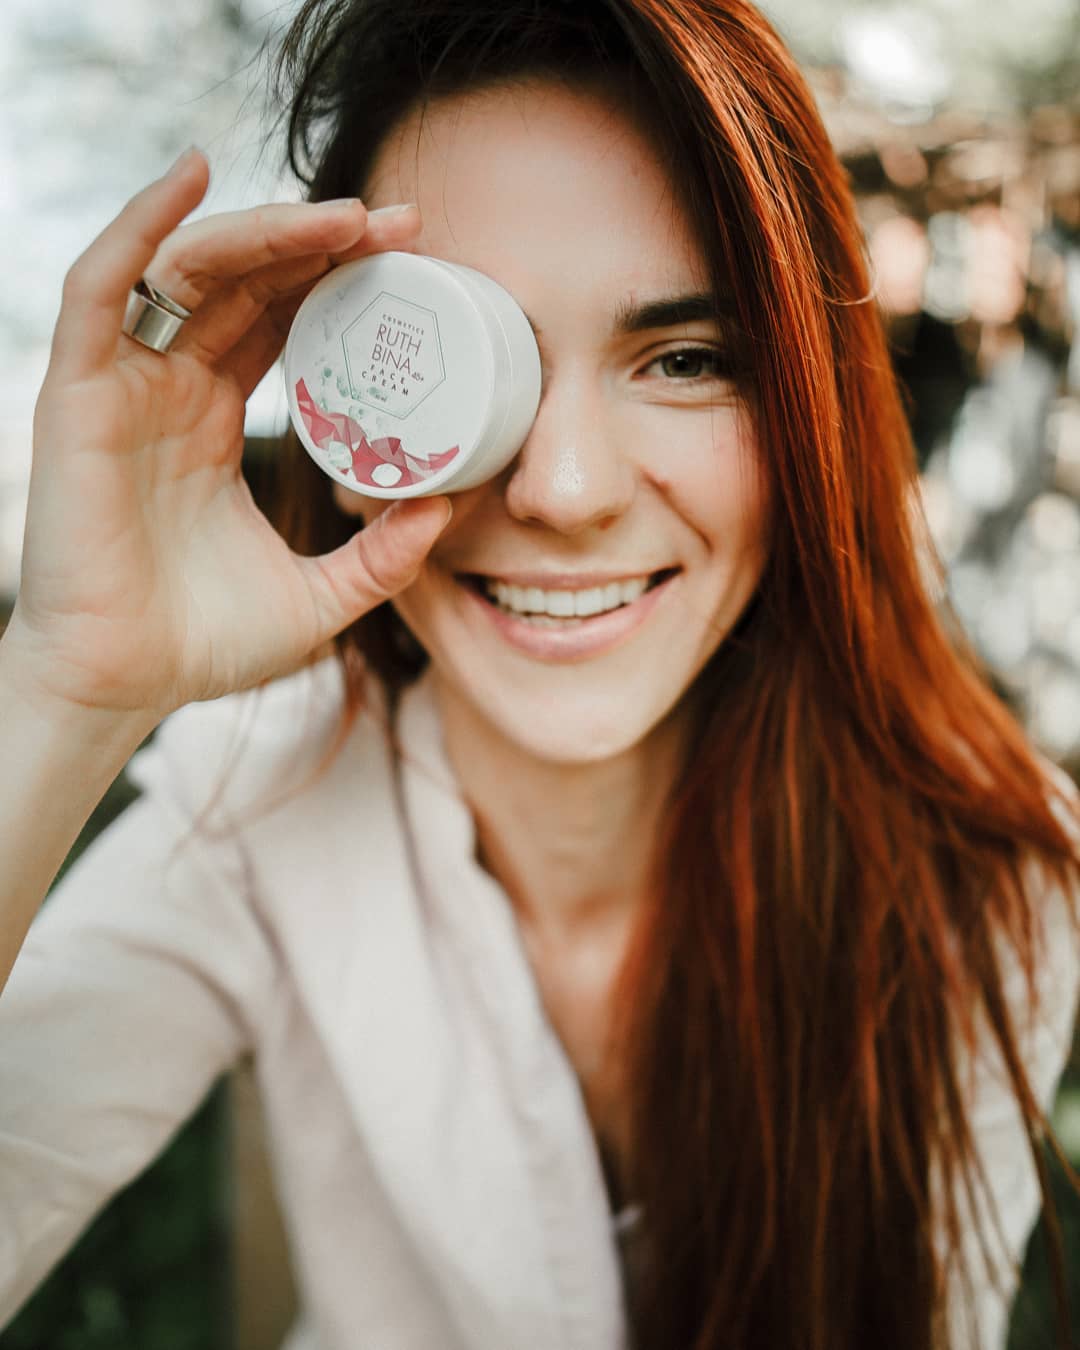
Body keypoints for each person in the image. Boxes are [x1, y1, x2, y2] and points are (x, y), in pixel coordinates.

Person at [1, 1, 1078, 1347]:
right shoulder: (254, 804)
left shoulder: (984, 886)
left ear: (807, 403)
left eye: (686, 359)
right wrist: (63, 686)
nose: (563, 488)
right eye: (478, 364)